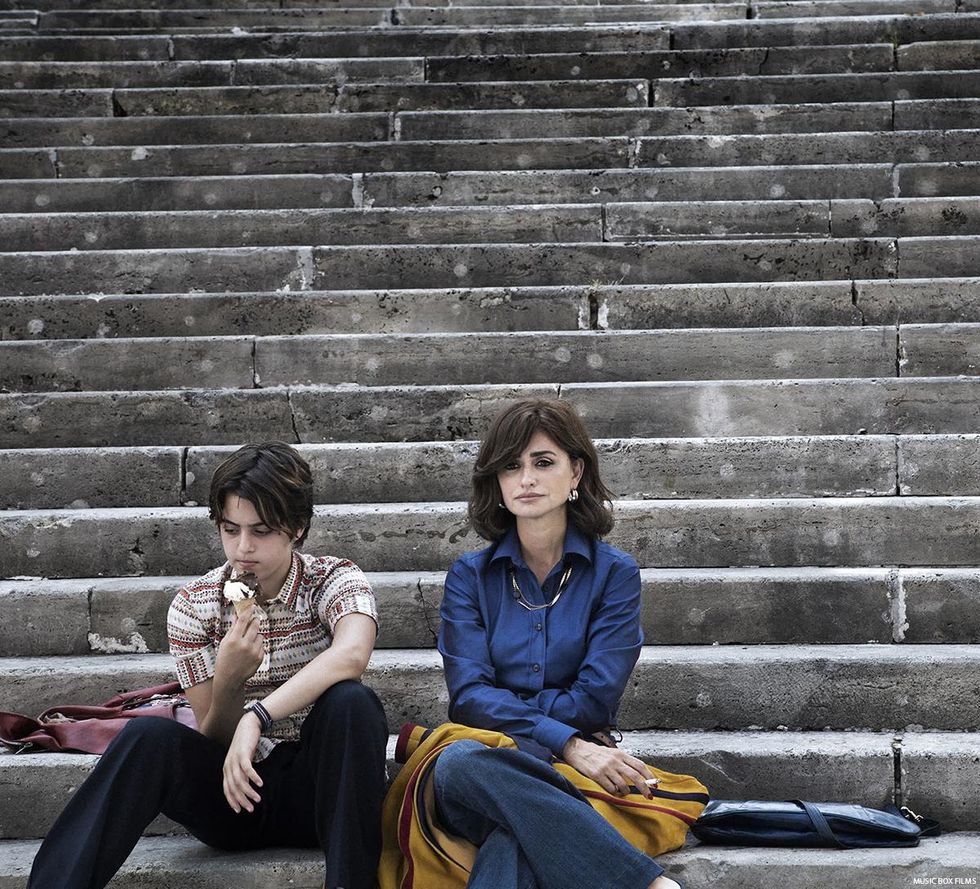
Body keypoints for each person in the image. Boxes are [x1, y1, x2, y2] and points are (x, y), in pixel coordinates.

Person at [27, 441, 388, 889]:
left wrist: (259, 715)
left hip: (324, 794)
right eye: (230, 529)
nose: (243, 548)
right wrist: (231, 681)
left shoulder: (333, 579)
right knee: (146, 737)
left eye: (261, 531)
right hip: (235, 794)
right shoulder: (194, 606)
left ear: (297, 526)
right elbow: (213, 735)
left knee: (351, 701)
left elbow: (352, 654)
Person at [435, 398, 684, 889]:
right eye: (511, 466)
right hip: (491, 765)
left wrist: (520, 715)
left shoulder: (614, 575)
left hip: (566, 776)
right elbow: (467, 698)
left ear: (576, 473)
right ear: (497, 482)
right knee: (458, 762)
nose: (525, 478)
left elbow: (595, 696)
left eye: (542, 462)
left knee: (515, 837)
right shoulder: (469, 577)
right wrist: (569, 743)